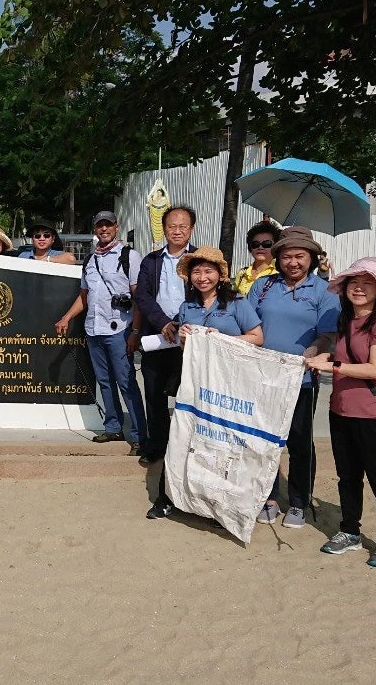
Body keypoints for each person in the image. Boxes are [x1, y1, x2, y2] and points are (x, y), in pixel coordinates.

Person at [146, 247, 263, 519]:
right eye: (196, 271)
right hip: (194, 383)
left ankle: (219, 507)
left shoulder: (237, 302)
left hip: (227, 386)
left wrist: (222, 339)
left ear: (220, 275)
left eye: (208, 271)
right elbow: (182, 343)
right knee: (181, 437)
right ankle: (167, 498)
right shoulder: (187, 307)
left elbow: (257, 337)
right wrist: (183, 336)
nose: (202, 277)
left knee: (221, 444)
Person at [305, 257, 376, 568]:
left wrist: (332, 365)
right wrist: (327, 353)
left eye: (367, 282)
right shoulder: (347, 321)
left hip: (372, 414)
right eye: (353, 282)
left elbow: (375, 368)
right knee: (347, 477)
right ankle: (349, 530)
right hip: (341, 411)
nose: (358, 288)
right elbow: (347, 354)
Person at [249, 225, 340, 529]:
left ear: (312, 258)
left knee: (300, 442)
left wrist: (317, 349)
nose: (293, 262)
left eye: (300, 256)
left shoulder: (324, 291)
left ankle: (299, 501)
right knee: (266, 439)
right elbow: (246, 326)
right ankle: (269, 496)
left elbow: (329, 333)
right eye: (287, 256)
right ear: (277, 258)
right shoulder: (262, 287)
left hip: (301, 380)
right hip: (263, 378)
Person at [55, 210, 147, 448]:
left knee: (126, 383)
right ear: (95, 230)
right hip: (94, 329)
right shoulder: (90, 259)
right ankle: (113, 428)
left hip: (120, 330)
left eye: (108, 225)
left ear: (116, 228)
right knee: (104, 382)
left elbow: (139, 298)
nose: (104, 229)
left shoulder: (130, 256)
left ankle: (138, 436)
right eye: (99, 226)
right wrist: (66, 318)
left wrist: (135, 332)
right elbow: (84, 296)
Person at [130, 205, 198, 467]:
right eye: (172, 226)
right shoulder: (152, 260)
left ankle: (186, 448)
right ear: (164, 229)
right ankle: (157, 445)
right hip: (157, 338)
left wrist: (183, 325)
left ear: (191, 229)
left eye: (183, 226)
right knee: (155, 392)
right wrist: (163, 323)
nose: (177, 231)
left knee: (188, 395)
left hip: (189, 338)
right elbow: (143, 297)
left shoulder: (200, 260)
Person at [232, 222, 281, 295]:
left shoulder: (280, 273)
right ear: (250, 248)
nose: (260, 248)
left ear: (275, 247)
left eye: (266, 244)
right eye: (255, 244)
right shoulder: (242, 273)